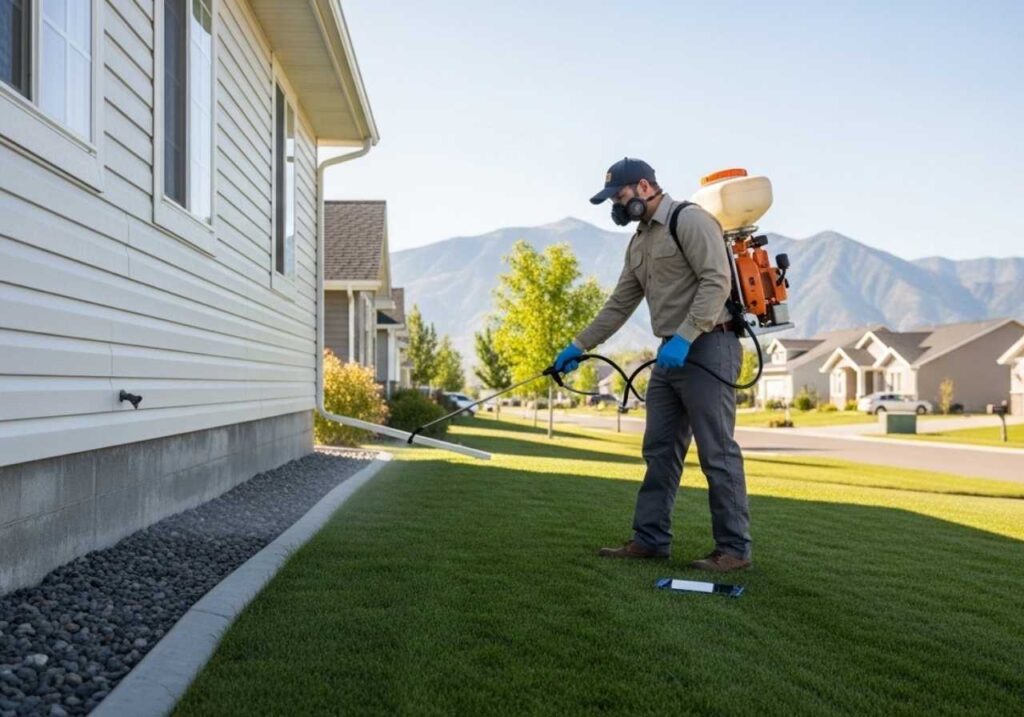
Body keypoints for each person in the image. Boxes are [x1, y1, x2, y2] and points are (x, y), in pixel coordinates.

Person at [553, 157, 752, 572]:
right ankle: (650, 540)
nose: (617, 205)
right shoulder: (640, 241)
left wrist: (685, 336)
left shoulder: (690, 221)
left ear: (643, 187)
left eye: (621, 196)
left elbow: (718, 280)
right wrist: (578, 346)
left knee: (717, 452)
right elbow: (620, 303)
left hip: (709, 346)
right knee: (659, 449)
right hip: (670, 355)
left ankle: (733, 551)